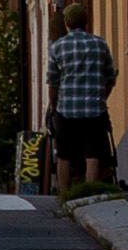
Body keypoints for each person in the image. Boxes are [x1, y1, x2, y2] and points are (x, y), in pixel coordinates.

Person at [47, 15, 117, 189]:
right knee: (93, 153)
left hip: (66, 110)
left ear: (67, 23)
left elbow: (53, 82)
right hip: (94, 109)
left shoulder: (58, 47)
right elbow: (110, 78)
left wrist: (54, 106)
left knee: (64, 155)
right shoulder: (100, 44)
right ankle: (90, 191)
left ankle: (64, 193)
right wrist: (101, 99)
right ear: (86, 22)